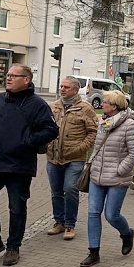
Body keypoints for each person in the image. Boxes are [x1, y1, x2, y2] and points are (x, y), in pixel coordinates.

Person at [0, 64, 59, 267]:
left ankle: (13, 246)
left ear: (27, 80)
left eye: (14, 76)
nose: (9, 78)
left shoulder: (37, 104)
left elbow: (51, 130)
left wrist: (27, 141)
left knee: (16, 207)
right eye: (7, 75)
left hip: (19, 165)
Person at [80, 91, 134, 267]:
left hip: (117, 178)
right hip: (97, 175)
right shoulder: (103, 122)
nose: (102, 104)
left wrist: (120, 169)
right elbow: (98, 146)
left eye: (105, 102)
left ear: (114, 106)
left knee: (111, 215)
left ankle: (127, 234)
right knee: (92, 213)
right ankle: (93, 252)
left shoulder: (129, 125)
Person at [45, 76, 98, 241]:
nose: (62, 89)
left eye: (66, 87)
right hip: (53, 156)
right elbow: (43, 126)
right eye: (61, 86)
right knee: (56, 192)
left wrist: (80, 148)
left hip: (75, 158)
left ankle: (70, 224)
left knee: (70, 189)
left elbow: (93, 132)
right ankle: (59, 222)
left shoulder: (85, 109)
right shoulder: (53, 106)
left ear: (75, 89)